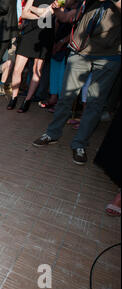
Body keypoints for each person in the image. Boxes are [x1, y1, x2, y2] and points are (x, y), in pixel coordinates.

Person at [33, 0, 121, 166]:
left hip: (109, 55)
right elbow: (67, 16)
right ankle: (52, 133)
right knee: (66, 96)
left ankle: (80, 144)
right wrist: (57, 8)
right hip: (80, 50)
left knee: (94, 103)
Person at [6, 0, 55, 113]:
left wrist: (32, 9)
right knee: (17, 69)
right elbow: (24, 14)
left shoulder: (56, 1)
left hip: (45, 35)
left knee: (37, 70)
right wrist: (39, 13)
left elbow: (46, 14)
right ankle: (14, 97)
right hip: (29, 33)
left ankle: (27, 100)